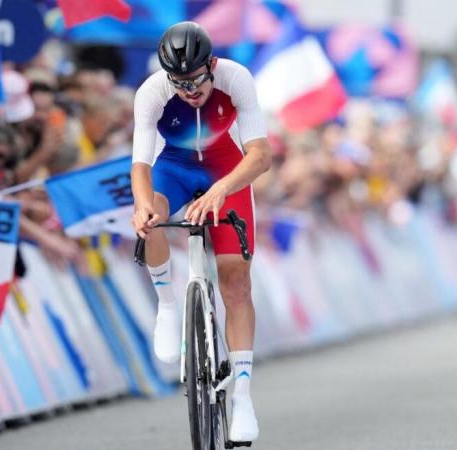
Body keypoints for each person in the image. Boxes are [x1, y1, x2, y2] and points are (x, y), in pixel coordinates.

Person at [130, 21, 272, 443]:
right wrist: (141, 209)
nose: (189, 92)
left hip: (226, 170)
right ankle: (168, 305)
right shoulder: (151, 92)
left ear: (211, 65)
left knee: (236, 282)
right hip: (172, 167)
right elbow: (140, 165)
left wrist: (221, 190)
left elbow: (260, 156)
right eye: (180, 83)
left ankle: (242, 396)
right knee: (151, 214)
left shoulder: (235, 78)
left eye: (195, 81)